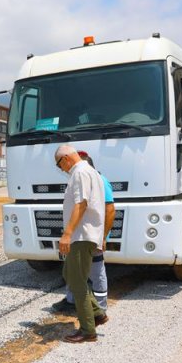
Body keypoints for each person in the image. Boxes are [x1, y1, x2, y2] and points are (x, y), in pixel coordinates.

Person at [54, 144, 107, 343]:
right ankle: (98, 314)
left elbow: (81, 204)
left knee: (77, 283)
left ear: (66, 158)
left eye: (59, 164)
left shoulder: (81, 172)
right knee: (69, 273)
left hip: (81, 235)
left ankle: (87, 331)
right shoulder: (89, 172)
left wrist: (67, 234)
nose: (61, 169)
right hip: (84, 235)